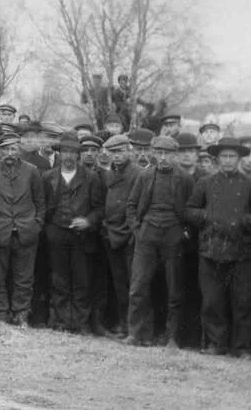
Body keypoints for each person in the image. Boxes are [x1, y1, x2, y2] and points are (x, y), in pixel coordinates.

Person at [185, 136, 251, 357]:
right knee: (212, 301)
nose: (227, 160)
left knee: (242, 302)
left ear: (239, 158)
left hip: (242, 252)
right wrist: (207, 216)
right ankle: (216, 344)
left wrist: (243, 221)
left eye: (232, 156)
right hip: (211, 250)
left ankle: (241, 347)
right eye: (223, 156)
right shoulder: (205, 183)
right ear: (217, 158)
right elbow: (189, 210)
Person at [122, 136, 196, 348]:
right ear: (154, 153)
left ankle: (172, 337)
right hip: (147, 235)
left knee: (174, 288)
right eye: (159, 153)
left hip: (173, 236)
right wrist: (137, 229)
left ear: (175, 155)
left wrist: (185, 233)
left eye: (168, 154)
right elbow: (131, 205)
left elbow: (192, 209)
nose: (163, 158)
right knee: (138, 286)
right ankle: (135, 333)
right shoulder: (145, 176)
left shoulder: (185, 179)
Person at [0, 133, 46, 326]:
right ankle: (0, 313)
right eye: (5, 149)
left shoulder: (32, 171)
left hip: (26, 232)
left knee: (24, 277)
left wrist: (37, 224)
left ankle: (20, 313)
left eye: (13, 149)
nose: (9, 153)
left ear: (19, 150)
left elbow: (40, 202)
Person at [42, 133, 104, 334]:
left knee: (81, 280)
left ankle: (80, 323)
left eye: (72, 152)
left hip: (81, 237)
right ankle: (61, 321)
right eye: (65, 151)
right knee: (59, 279)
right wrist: (49, 229)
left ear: (78, 155)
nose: (68, 156)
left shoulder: (91, 178)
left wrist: (88, 221)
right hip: (56, 234)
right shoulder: (48, 177)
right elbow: (43, 207)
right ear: (59, 154)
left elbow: (100, 208)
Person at [100, 134, 141, 338]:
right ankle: (124, 324)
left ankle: (136, 328)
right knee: (119, 283)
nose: (116, 156)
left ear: (129, 151)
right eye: (112, 152)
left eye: (120, 152)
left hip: (130, 237)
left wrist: (131, 231)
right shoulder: (109, 175)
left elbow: (137, 206)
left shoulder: (138, 174)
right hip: (112, 235)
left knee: (134, 284)